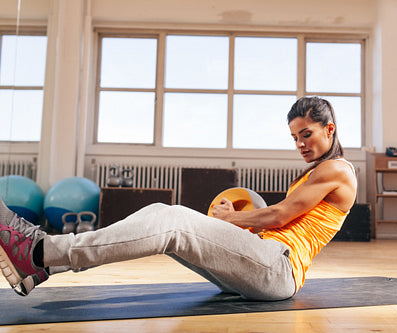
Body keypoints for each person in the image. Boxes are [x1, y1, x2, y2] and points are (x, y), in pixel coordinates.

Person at [0, 96, 357, 301]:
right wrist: (239, 223)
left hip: (278, 269)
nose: (300, 144)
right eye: (294, 137)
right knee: (161, 213)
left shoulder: (338, 170)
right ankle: (46, 265)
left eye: (306, 134)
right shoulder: (315, 172)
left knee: (173, 222)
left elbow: (280, 216)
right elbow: (280, 220)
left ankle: (37, 251)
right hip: (267, 264)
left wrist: (227, 220)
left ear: (330, 129)